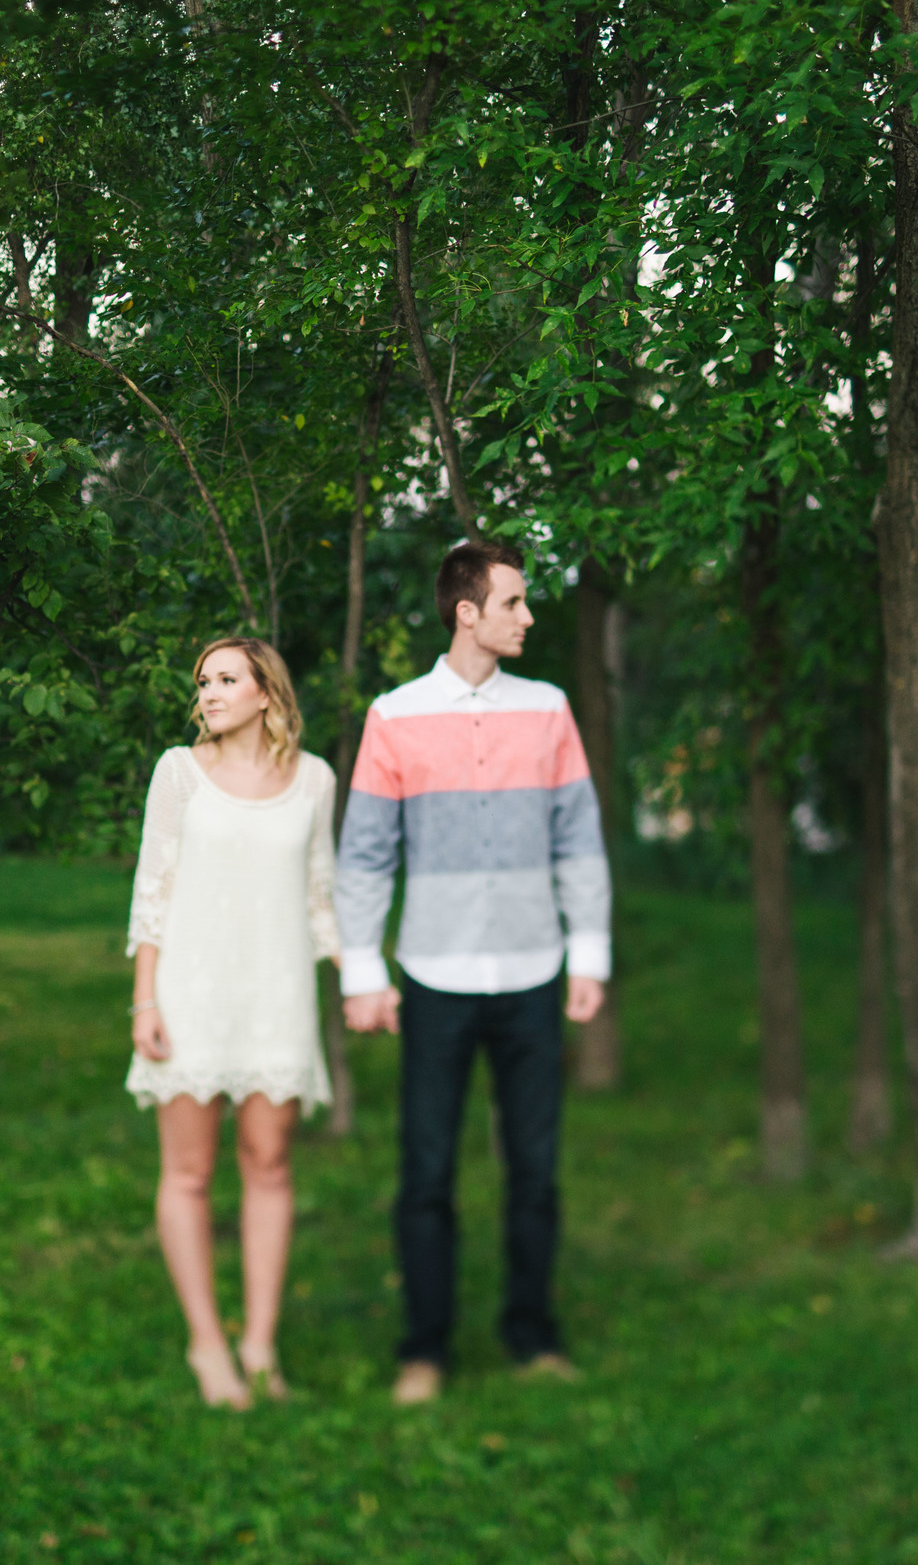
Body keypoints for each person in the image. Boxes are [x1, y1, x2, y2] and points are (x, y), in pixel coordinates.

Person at [337, 541, 612, 1404]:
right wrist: (361, 972)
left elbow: (579, 840)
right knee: (426, 1173)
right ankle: (425, 1348)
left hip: (534, 974)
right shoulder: (395, 715)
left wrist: (589, 952)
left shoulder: (551, 710)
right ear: (467, 611)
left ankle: (531, 1335)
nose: (529, 617)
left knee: (535, 1170)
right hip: (434, 979)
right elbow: (365, 856)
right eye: (515, 603)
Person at [125, 636, 339, 1409]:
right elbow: (153, 890)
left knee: (270, 1162)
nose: (207, 692)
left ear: (264, 692)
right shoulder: (179, 773)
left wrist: (366, 976)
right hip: (189, 994)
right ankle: (207, 1343)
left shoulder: (314, 780)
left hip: (278, 995)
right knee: (188, 1170)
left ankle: (260, 1344)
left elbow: (322, 895)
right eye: (202, 681)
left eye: (224, 678)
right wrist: (145, 1000)